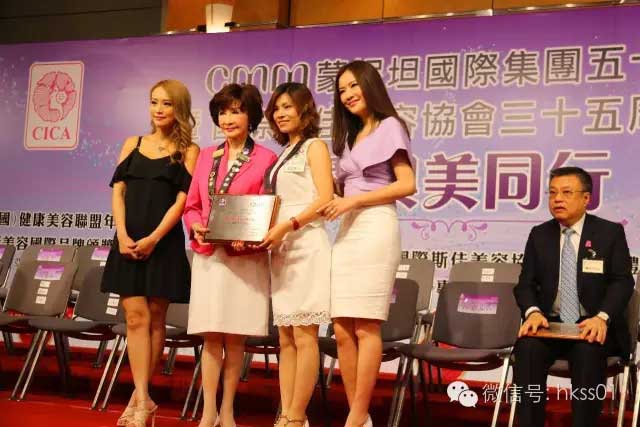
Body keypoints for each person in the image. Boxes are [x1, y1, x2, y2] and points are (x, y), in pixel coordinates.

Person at [317, 60, 416, 427]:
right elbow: (343, 190)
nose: (347, 94)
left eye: (353, 85)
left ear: (370, 86)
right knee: (342, 328)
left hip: (376, 227)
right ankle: (358, 416)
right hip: (347, 230)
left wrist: (354, 200)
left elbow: (407, 184)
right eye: (342, 90)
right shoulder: (349, 137)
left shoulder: (390, 127)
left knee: (366, 326)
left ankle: (356, 417)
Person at [101, 79, 199, 427]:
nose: (158, 109)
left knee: (156, 319)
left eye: (167, 103)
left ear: (179, 108)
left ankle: (139, 399)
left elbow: (182, 202)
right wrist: (122, 234)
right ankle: (143, 399)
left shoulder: (189, 150)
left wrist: (155, 238)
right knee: (134, 318)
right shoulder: (133, 143)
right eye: (154, 102)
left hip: (163, 243)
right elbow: (118, 192)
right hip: (127, 240)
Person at [184, 83, 277, 427]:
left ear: (251, 116)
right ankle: (208, 410)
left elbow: (266, 209)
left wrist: (248, 238)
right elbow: (192, 205)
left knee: (235, 338)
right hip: (210, 257)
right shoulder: (207, 155)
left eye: (236, 111)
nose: (228, 118)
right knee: (211, 336)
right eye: (222, 112)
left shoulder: (266, 158)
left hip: (244, 260)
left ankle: (228, 410)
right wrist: (195, 225)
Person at [513, 166, 634, 427]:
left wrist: (602, 317)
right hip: (551, 326)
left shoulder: (609, 233)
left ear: (586, 198)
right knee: (527, 348)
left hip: (592, 326)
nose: (557, 199)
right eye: (552, 193)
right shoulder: (539, 235)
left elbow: (622, 282)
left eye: (566, 193)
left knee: (587, 352)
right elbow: (525, 284)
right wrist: (533, 312)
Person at [260, 82, 333, 427]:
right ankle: (286, 415)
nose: (280, 113)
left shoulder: (314, 146)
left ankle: (297, 416)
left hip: (306, 245)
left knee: (305, 336)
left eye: (287, 106)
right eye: (276, 108)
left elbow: (324, 199)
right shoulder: (283, 154)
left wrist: (288, 225)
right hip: (282, 249)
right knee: (286, 338)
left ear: (305, 110)